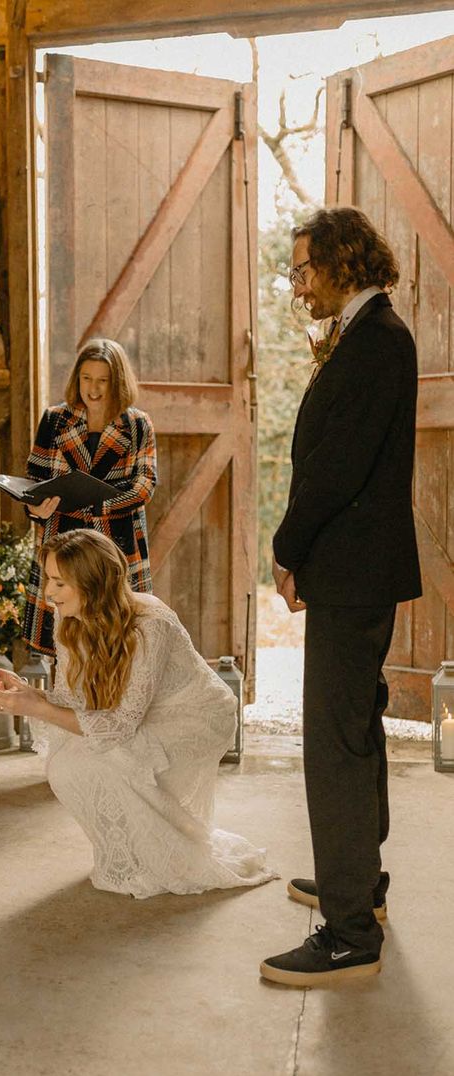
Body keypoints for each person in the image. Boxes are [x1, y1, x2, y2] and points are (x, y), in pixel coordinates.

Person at [261, 207, 422, 987]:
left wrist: (288, 550)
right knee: (357, 725)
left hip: (352, 571)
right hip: (357, 570)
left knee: (335, 743)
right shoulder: (371, 336)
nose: (296, 288)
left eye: (302, 271)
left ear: (340, 264)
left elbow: (336, 468)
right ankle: (361, 883)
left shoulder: (377, 342)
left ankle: (350, 931)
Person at [0, 529, 276, 899]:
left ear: (93, 584)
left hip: (197, 716)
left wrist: (37, 707)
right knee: (69, 762)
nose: (48, 594)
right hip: (140, 714)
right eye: (48, 581)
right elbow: (72, 699)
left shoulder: (152, 624)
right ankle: (129, 856)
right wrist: (26, 692)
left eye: (59, 582)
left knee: (106, 760)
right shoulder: (68, 617)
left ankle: (169, 859)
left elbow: (118, 726)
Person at [22, 337, 156, 656]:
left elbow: (145, 484)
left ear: (117, 382)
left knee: (117, 641)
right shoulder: (54, 420)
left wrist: (99, 504)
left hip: (116, 547)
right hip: (61, 544)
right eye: (86, 379)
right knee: (65, 641)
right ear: (76, 378)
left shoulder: (137, 425)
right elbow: (34, 480)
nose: (92, 389)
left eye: (102, 381)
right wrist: (35, 509)